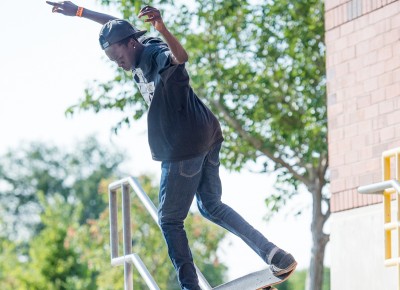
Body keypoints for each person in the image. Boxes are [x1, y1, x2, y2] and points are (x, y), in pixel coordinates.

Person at [46, 2, 297, 289]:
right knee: (211, 205)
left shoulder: (154, 52)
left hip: (184, 146)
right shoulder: (135, 41)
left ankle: (190, 287)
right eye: (112, 60)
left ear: (131, 44)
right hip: (208, 134)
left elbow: (180, 56)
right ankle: (275, 254)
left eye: (119, 57)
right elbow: (113, 23)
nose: (119, 63)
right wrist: (78, 11)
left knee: (169, 220)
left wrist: (162, 28)